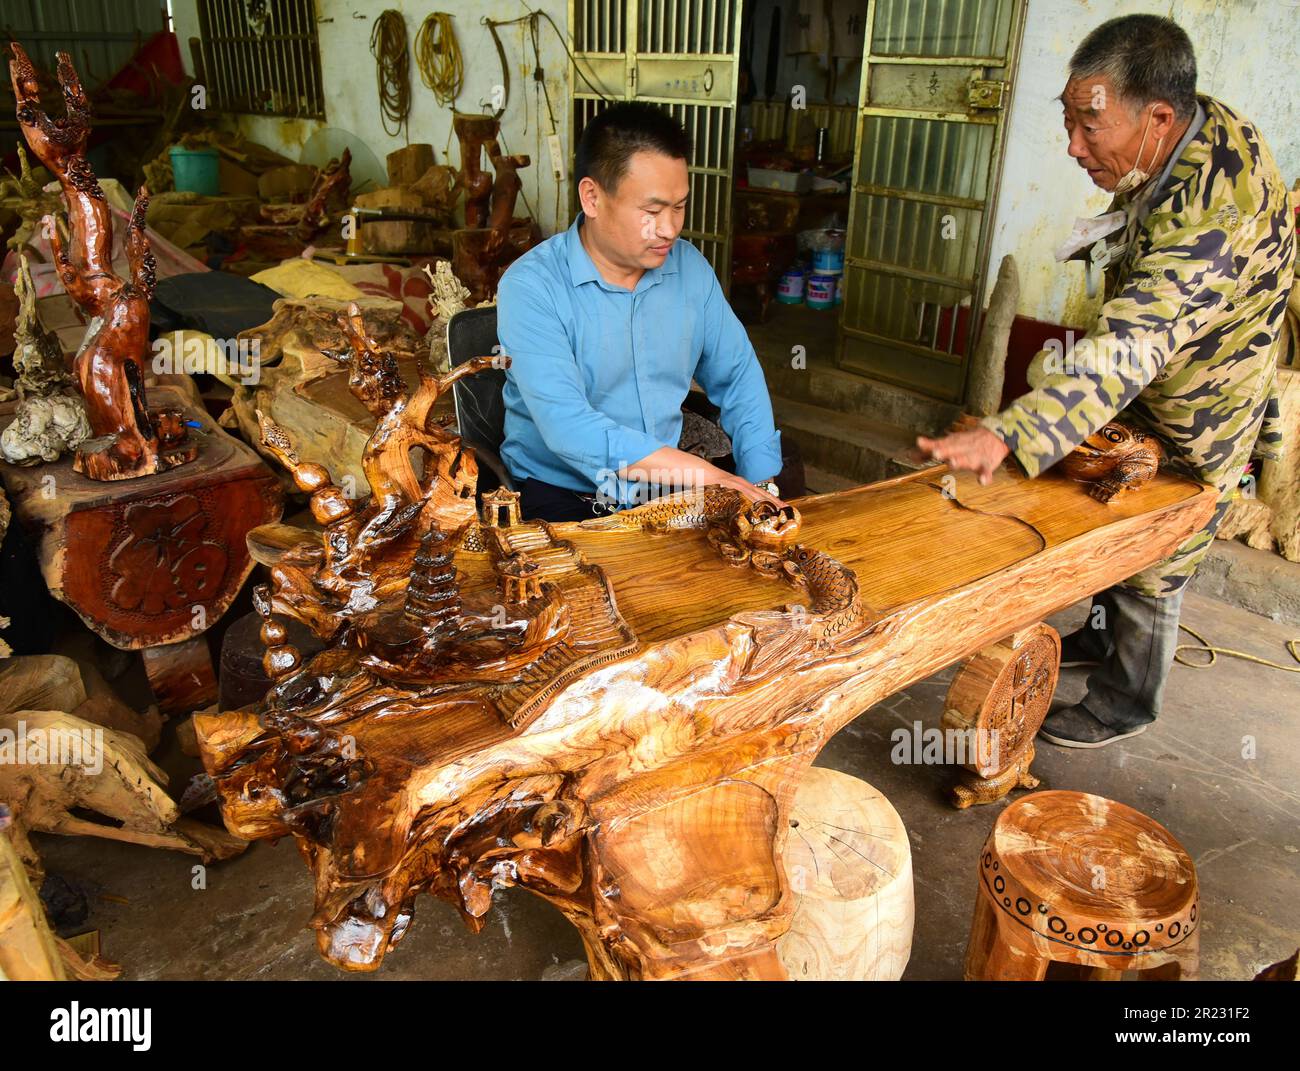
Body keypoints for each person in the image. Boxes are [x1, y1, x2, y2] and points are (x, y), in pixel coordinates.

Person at [917, 15, 1295, 747]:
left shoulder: (1223, 205)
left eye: (1090, 124)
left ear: (1157, 118)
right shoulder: (1179, 135)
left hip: (1205, 400)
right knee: (1108, 505)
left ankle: (1127, 699)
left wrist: (1010, 433)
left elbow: (1132, 345)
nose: (1073, 145)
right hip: (1153, 378)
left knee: (1163, 539)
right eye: (1068, 120)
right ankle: (1098, 635)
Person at [496, 101, 785, 522]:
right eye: (651, 212)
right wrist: (706, 476)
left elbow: (738, 374)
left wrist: (760, 485)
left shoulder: (689, 269)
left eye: (679, 207)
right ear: (592, 197)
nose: (669, 229)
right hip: (563, 492)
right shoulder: (532, 287)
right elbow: (569, 427)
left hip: (664, 485)